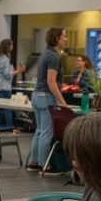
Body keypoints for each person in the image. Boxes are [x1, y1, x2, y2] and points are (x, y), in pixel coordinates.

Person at [27, 27, 69, 174]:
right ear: (57, 38)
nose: (66, 39)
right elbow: (51, 82)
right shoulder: (54, 57)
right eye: (64, 36)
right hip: (46, 97)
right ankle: (45, 166)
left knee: (39, 131)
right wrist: (62, 101)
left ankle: (34, 162)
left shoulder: (44, 54)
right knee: (46, 133)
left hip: (37, 96)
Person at [0, 38, 25, 125]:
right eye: (11, 45)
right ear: (7, 46)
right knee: (8, 108)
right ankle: (9, 126)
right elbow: (7, 74)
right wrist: (19, 71)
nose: (13, 47)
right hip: (3, 86)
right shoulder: (4, 58)